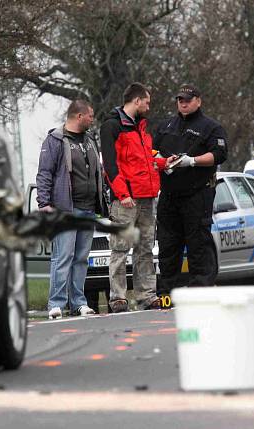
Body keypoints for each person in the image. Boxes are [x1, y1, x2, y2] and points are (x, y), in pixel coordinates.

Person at [100, 83, 171, 313]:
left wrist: (163, 163)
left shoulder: (141, 129)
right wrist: (123, 194)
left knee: (145, 248)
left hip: (147, 197)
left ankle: (146, 295)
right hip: (126, 199)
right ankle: (118, 298)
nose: (149, 106)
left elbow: (144, 161)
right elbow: (110, 165)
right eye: (147, 102)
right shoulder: (112, 126)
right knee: (120, 248)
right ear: (136, 101)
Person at [153, 84, 228, 294]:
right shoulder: (166, 125)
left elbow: (219, 154)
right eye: (180, 100)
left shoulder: (211, 127)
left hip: (197, 195)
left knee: (198, 245)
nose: (183, 103)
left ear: (198, 101)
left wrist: (192, 161)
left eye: (187, 99)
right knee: (168, 246)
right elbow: (151, 150)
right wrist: (162, 162)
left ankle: (200, 292)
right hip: (169, 195)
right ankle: (167, 294)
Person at [36, 100, 104, 319]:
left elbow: (97, 172)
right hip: (66, 209)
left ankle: (79, 303)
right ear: (78, 116)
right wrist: (44, 203)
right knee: (62, 256)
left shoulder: (90, 140)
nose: (92, 119)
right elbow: (45, 172)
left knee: (81, 258)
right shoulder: (55, 140)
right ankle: (56, 303)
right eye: (90, 115)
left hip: (87, 208)